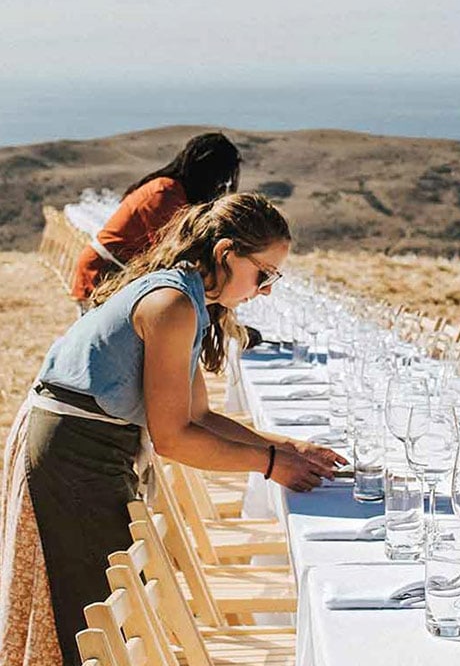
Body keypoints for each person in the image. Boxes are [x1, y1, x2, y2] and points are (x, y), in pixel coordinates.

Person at [1, 193, 342, 666]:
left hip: (87, 441)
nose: (266, 290)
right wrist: (268, 464)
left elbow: (197, 415)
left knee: (99, 610)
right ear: (226, 253)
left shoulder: (186, 297)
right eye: (265, 274)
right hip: (71, 452)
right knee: (85, 612)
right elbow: (174, 438)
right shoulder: (172, 304)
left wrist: (285, 445)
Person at [71, 132, 242, 307]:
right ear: (207, 171)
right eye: (221, 178)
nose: (222, 186)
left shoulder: (174, 193)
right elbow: (174, 252)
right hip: (103, 274)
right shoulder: (164, 195)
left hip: (117, 272)